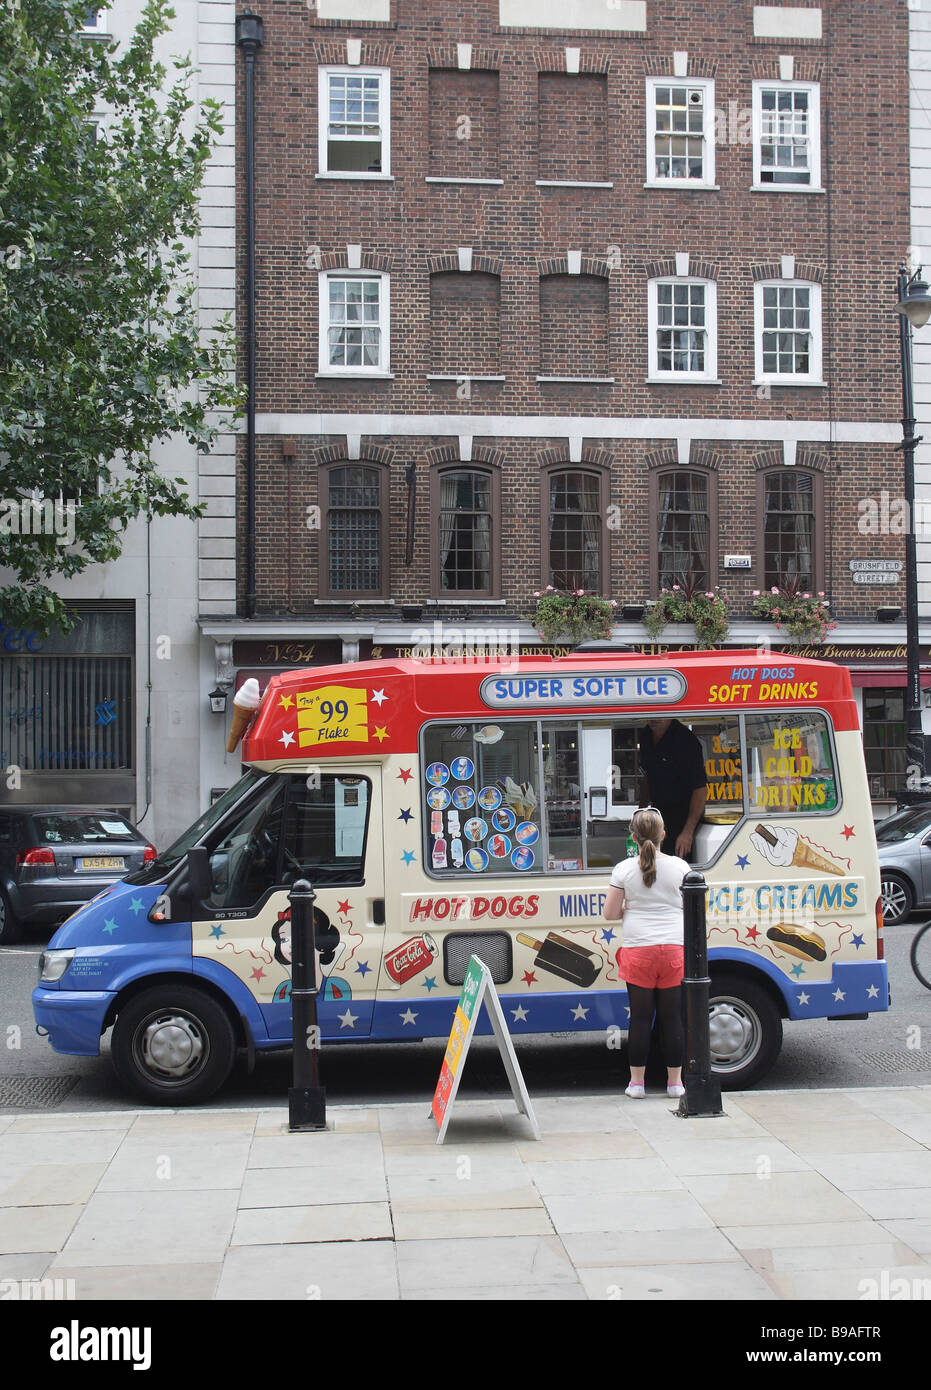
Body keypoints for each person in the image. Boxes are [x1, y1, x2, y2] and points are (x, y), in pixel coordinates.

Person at [603, 806, 688, 1099]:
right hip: (673, 950)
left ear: (633, 837)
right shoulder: (681, 868)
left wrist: (630, 907)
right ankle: (675, 1083)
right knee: (672, 1018)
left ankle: (637, 1084)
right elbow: (692, 910)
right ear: (664, 834)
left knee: (640, 1018)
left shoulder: (624, 869)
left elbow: (610, 913)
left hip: (638, 950)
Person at [638, 716, 708, 861]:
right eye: (650, 712)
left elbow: (700, 789)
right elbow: (647, 775)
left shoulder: (686, 740)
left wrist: (688, 832)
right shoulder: (645, 735)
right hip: (658, 813)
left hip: (684, 817)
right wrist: (640, 811)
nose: (654, 717)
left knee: (680, 864)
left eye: (660, 713)